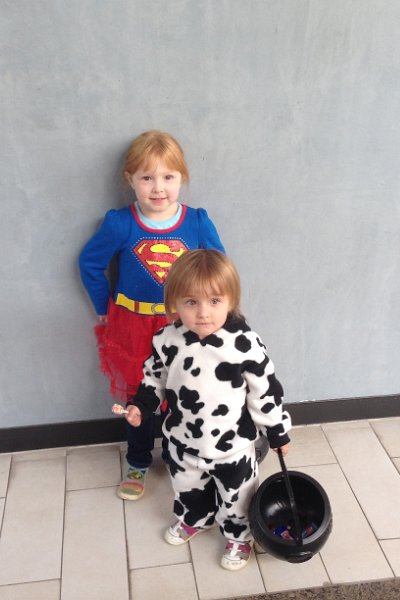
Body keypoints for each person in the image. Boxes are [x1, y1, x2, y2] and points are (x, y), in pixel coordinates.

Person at [123, 250, 292, 571]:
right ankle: (195, 518)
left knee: (238, 496)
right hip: (182, 441)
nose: (203, 313)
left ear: (231, 300)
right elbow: (154, 378)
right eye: (191, 302)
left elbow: (266, 392)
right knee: (187, 487)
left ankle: (239, 536)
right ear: (174, 302)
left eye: (214, 301)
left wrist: (277, 431)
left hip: (233, 447)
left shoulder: (245, 344)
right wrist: (141, 406)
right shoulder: (166, 340)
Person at [79, 131, 225, 501]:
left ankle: (182, 456)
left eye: (168, 177)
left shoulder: (196, 222)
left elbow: (217, 270)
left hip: (182, 326)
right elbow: (90, 264)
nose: (158, 188)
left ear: (182, 178)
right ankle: (138, 459)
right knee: (138, 396)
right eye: (147, 177)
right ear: (130, 179)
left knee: (185, 393)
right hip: (133, 327)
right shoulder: (120, 223)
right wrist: (103, 307)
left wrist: (214, 313)